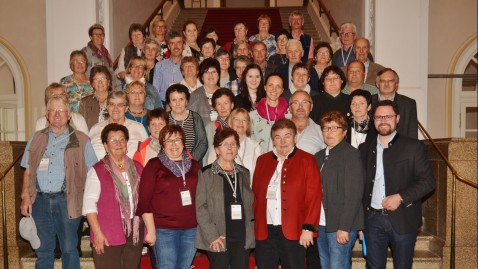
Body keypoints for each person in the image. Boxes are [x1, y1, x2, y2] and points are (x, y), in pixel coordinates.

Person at [20, 95, 97, 269]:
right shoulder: (36, 138)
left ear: (69, 115)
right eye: (53, 110)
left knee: (69, 249)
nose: (57, 114)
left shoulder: (82, 140)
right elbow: (28, 171)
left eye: (61, 111)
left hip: (68, 201)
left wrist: (89, 202)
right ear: (47, 115)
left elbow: (93, 173)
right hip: (39, 201)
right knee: (43, 251)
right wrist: (25, 197)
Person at [358, 100, 436, 269]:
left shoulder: (413, 147)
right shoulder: (364, 148)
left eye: (388, 116)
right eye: (378, 117)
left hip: (403, 219)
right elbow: (360, 187)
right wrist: (360, 223)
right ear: (373, 119)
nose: (383, 120)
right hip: (372, 220)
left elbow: (428, 181)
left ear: (397, 118)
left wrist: (400, 197)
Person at [252, 118, 322, 269]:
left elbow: (314, 197)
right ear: (273, 140)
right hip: (265, 232)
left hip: (294, 231)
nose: (283, 141)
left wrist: (308, 229)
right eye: (278, 137)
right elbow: (256, 197)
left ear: (295, 138)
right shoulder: (262, 161)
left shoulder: (307, 160)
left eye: (287, 136)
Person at [137, 124, 201, 269]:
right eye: (168, 140)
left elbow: (203, 199)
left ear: (184, 142)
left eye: (177, 139)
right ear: (162, 144)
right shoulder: (154, 165)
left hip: (191, 230)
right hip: (164, 230)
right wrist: (151, 231)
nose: (174, 144)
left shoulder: (195, 166)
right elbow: (144, 201)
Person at [83, 123, 145, 269]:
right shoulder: (97, 170)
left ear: (127, 143)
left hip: (135, 230)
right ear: (105, 145)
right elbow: (89, 205)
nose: (118, 143)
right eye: (112, 140)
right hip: (108, 230)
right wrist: (97, 234)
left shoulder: (138, 167)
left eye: (122, 139)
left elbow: (145, 201)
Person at [196, 127, 255, 269]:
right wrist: (212, 236)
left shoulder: (244, 173)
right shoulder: (206, 173)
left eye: (233, 144)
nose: (230, 148)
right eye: (225, 144)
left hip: (242, 236)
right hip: (219, 236)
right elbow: (200, 207)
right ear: (217, 149)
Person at [315, 110, 365, 269]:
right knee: (325, 265)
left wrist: (344, 227)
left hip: (341, 225)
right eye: (325, 128)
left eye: (334, 128)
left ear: (344, 132)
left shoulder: (350, 154)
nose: (329, 132)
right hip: (322, 223)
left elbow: (354, 194)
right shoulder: (318, 156)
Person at [206, 108, 262, 182]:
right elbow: (210, 173)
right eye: (236, 119)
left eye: (244, 120)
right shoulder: (219, 146)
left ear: (248, 124)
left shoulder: (256, 147)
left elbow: (260, 176)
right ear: (230, 123)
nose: (240, 123)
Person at [89, 91, 148, 159]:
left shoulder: (138, 128)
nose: (115, 108)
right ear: (107, 107)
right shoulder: (95, 129)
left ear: (126, 108)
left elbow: (147, 155)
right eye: (112, 104)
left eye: (120, 105)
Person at [166, 84, 208, 162]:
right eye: (174, 100)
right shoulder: (165, 118)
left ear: (186, 101)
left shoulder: (195, 117)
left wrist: (189, 160)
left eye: (181, 99)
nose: (178, 104)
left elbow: (203, 143)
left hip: (192, 163)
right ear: (169, 103)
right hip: (168, 163)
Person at [373, 68, 418, 139]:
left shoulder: (408, 104)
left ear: (396, 84)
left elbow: (412, 133)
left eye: (390, 81)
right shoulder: (368, 101)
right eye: (382, 81)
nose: (386, 84)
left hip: (402, 148)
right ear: (377, 84)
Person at [250, 73, 288, 153]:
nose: (274, 89)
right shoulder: (252, 116)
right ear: (265, 87)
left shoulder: (289, 116)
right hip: (259, 160)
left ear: (282, 90)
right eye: (271, 85)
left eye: (278, 86)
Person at [153, 31, 185, 103]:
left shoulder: (189, 65)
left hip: (183, 104)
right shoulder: (159, 66)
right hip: (163, 103)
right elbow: (155, 91)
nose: (176, 46)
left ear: (183, 45)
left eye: (178, 43)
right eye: (172, 43)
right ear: (169, 47)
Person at [187, 58, 221, 126]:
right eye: (206, 72)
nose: (210, 75)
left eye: (214, 72)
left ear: (218, 75)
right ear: (201, 77)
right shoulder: (195, 95)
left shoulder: (225, 94)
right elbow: (189, 121)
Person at [78, 65, 112, 130]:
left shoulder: (116, 99)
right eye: (96, 79)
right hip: (91, 138)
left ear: (108, 82)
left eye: (103, 79)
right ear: (92, 84)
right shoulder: (84, 102)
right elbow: (81, 127)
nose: (100, 82)